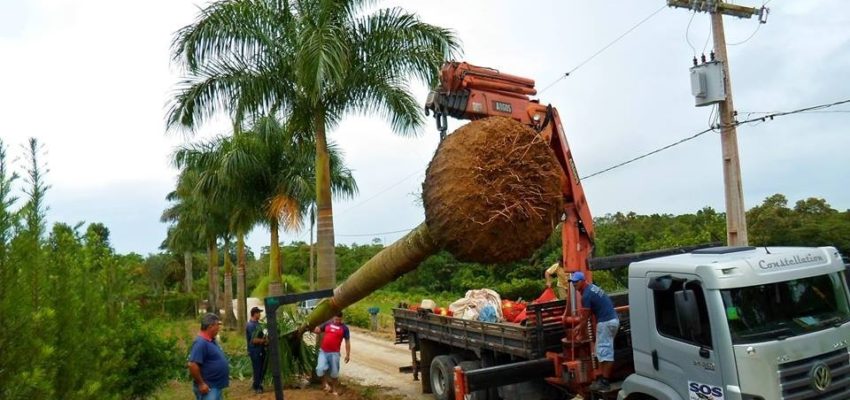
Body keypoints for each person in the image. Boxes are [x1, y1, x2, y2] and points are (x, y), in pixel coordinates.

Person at [569, 271, 619, 391]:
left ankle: (605, 382)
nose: (574, 284)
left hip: (606, 323)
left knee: (605, 353)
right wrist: (580, 328)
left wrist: (579, 332)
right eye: (572, 282)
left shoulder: (586, 295)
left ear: (582, 281)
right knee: (601, 351)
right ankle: (602, 379)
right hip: (611, 320)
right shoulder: (592, 288)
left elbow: (585, 318)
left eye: (576, 281)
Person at [187, 313, 229, 400]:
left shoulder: (211, 340)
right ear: (210, 327)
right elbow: (192, 365)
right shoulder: (200, 342)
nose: (219, 328)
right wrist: (201, 384)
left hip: (215, 386)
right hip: (209, 388)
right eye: (217, 325)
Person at [313, 311, 351, 396]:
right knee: (320, 369)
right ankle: (325, 384)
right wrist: (314, 329)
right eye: (336, 319)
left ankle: (334, 389)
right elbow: (318, 330)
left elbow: (347, 341)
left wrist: (348, 354)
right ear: (333, 317)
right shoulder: (327, 324)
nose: (337, 321)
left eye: (339, 320)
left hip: (334, 353)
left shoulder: (344, 328)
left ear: (342, 319)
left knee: (334, 373)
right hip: (323, 351)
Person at [246, 307, 268, 394]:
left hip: (260, 349)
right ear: (254, 313)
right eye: (259, 313)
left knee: (261, 368)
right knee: (257, 368)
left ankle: (257, 384)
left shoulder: (258, 324)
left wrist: (265, 340)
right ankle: (257, 387)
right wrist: (264, 341)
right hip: (255, 350)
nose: (260, 314)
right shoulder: (251, 325)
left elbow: (260, 337)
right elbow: (253, 340)